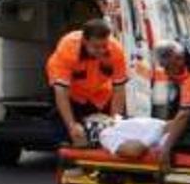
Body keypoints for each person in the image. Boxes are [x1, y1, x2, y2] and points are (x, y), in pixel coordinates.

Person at [45, 17, 128, 146]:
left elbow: (119, 90)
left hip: (99, 94)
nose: (101, 51)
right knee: (68, 134)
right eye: (96, 47)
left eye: (104, 46)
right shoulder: (68, 47)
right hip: (70, 94)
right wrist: (72, 125)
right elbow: (61, 92)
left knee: (109, 132)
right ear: (84, 41)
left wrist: (114, 123)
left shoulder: (116, 50)